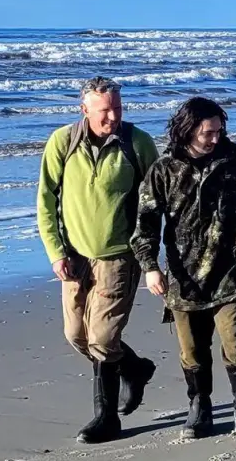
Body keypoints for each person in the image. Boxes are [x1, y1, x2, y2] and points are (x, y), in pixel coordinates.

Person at [131, 96, 236, 442]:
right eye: (208, 132)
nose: (216, 138)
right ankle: (199, 406)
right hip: (183, 277)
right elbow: (145, 223)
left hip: (229, 269)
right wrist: (149, 267)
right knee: (192, 350)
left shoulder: (231, 157)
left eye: (219, 130)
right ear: (188, 130)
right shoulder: (164, 169)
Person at [35, 76, 161, 444]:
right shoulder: (63, 142)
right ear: (84, 109)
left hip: (120, 256)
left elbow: (155, 202)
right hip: (74, 257)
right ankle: (135, 369)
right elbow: (46, 201)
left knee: (103, 339)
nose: (112, 117)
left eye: (118, 108)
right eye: (104, 110)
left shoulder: (137, 143)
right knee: (76, 335)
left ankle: (105, 418)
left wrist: (150, 256)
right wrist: (56, 252)